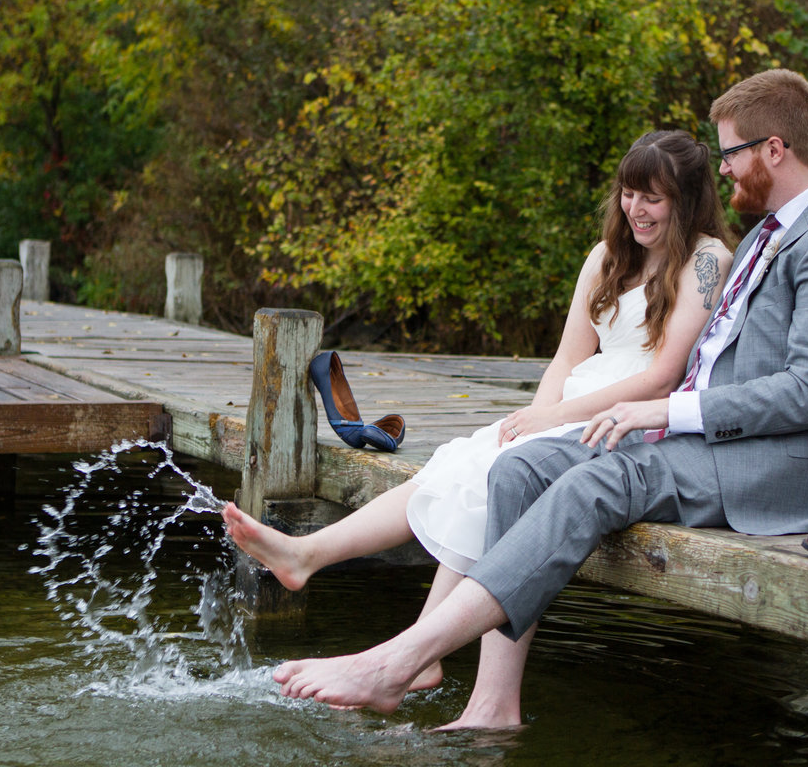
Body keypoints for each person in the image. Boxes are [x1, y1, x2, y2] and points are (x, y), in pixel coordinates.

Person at [267, 68, 808, 718]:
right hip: (702, 433)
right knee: (519, 467)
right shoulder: (772, 230)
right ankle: (492, 706)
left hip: (777, 464)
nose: (725, 171)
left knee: (587, 486)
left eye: (731, 154)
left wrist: (664, 408)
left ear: (774, 149)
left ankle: (395, 661)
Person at [222, 129, 734, 726]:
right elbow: (568, 360)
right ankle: (313, 560)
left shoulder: (707, 260)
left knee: (490, 473)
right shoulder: (605, 256)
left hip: (627, 423)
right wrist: (533, 419)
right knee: (464, 460)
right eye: (628, 193)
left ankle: (398, 635)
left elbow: (662, 377)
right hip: (570, 408)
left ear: (689, 198)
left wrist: (553, 421)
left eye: (654, 197)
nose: (636, 210)